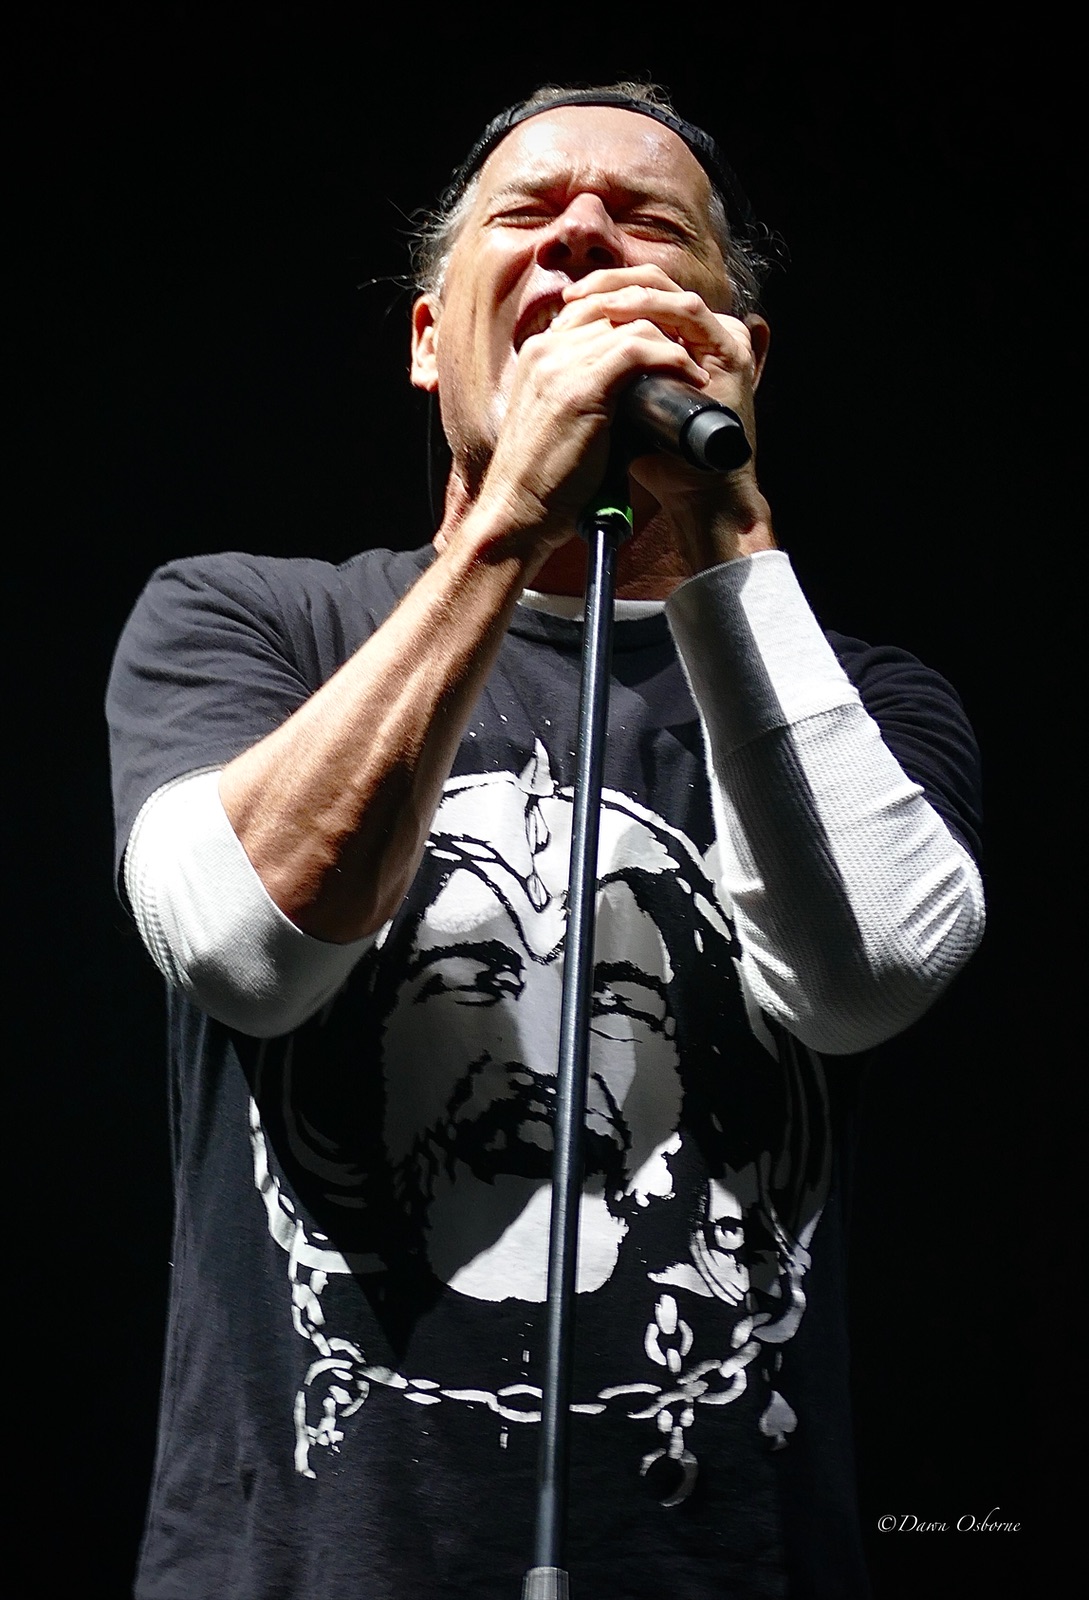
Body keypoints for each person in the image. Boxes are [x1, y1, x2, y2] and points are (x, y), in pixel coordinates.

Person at [107, 83, 985, 1600]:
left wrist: (724, 526)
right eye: (528, 215)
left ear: (740, 353)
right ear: (427, 340)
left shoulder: (868, 699)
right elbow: (244, 950)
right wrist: (508, 519)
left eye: (649, 226)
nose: (583, 234)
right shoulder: (246, 622)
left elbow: (870, 979)